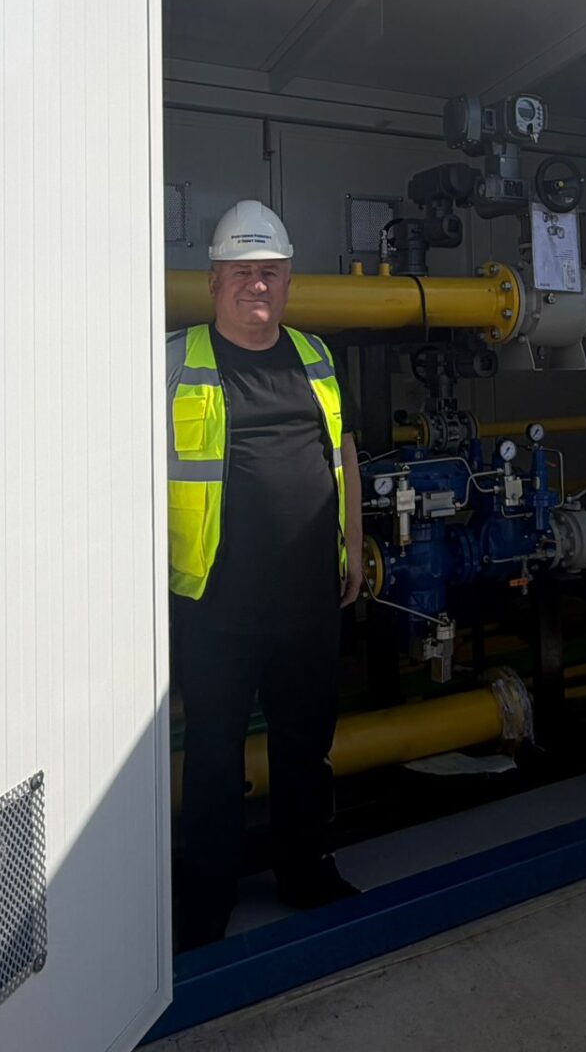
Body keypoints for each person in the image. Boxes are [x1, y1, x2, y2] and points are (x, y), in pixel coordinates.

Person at [167, 199, 367, 950]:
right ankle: (204, 902)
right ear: (215, 281)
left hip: (309, 598)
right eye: (244, 272)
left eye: (272, 273)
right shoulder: (173, 361)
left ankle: (306, 874)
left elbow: (342, 453)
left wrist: (354, 546)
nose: (258, 285)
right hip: (215, 606)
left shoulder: (316, 357)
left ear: (288, 281)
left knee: (305, 748)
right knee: (214, 757)